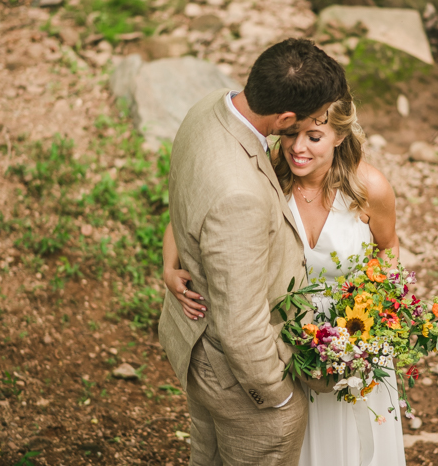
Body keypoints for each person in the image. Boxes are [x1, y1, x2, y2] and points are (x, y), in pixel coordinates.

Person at [164, 84, 407, 465]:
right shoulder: (265, 180)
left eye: (314, 136)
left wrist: (377, 313)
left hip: (352, 333)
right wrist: (169, 265)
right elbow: (193, 204)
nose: (298, 148)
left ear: (339, 136)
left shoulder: (368, 188)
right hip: (284, 334)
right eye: (291, 133)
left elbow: (388, 247)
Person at [158, 38, 348, 466]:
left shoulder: (211, 106)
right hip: (237, 383)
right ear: (283, 118)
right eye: (308, 121)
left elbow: (186, 199)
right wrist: (278, 398)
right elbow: (241, 326)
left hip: (196, 346)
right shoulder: (238, 196)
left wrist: (172, 260)